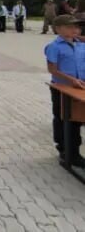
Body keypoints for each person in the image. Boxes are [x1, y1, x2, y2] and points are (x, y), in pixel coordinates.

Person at [44, 15, 85, 167]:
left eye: (76, 27)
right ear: (58, 29)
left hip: (79, 88)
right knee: (62, 118)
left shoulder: (81, 45)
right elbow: (52, 69)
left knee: (77, 120)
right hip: (62, 88)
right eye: (70, 27)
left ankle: (73, 152)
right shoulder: (54, 47)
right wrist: (71, 80)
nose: (75, 29)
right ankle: (65, 150)